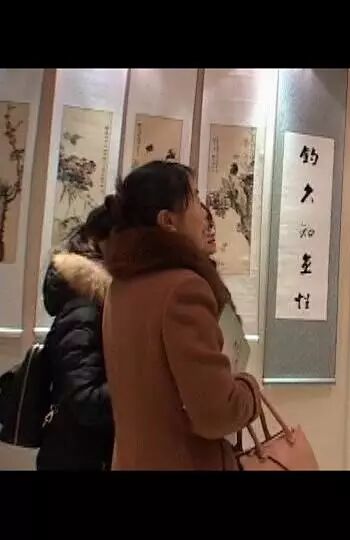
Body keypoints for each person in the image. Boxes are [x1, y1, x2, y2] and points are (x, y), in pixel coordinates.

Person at [102, 160, 260, 470]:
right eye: (196, 198)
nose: (205, 212)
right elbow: (217, 413)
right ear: (168, 221)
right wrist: (250, 389)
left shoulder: (120, 287)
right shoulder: (184, 289)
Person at [36, 201, 115, 470]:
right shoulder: (84, 309)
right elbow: (86, 400)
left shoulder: (93, 305)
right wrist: (141, 384)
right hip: (78, 459)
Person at [200, 202, 250, 374]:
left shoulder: (210, 273)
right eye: (204, 228)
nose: (211, 232)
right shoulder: (191, 282)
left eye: (211, 225)